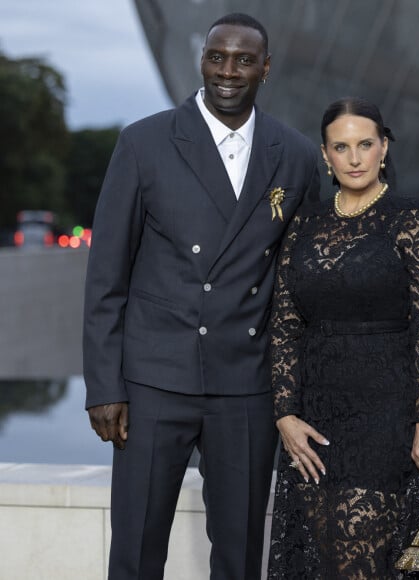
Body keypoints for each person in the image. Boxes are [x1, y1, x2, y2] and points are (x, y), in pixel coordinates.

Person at [83, 12, 320, 580]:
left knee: (239, 557)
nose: (228, 71)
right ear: (202, 61)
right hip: (153, 381)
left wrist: (294, 393)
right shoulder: (144, 142)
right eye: (218, 57)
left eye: (243, 60)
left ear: (266, 68)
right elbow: (105, 276)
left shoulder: (295, 154)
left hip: (245, 384)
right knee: (136, 551)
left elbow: (300, 288)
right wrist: (104, 385)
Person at [267, 97, 419, 579]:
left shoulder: (412, 219)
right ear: (326, 156)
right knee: (320, 557)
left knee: (364, 560)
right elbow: (285, 321)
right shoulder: (303, 224)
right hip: (316, 421)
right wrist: (285, 413)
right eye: (341, 147)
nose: (354, 158)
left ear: (384, 147)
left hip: (386, 417)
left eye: (365, 144)